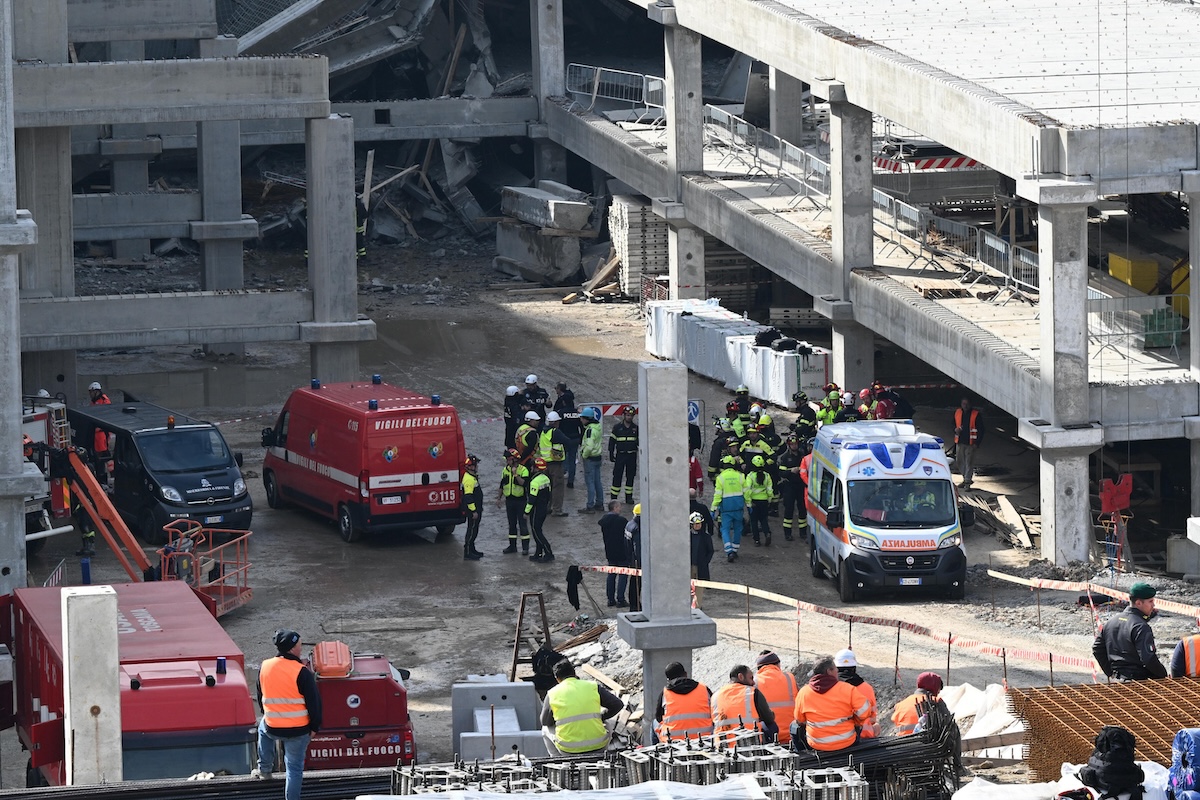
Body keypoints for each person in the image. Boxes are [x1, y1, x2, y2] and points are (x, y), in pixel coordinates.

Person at [253, 629, 322, 800]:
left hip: (273, 726)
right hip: (298, 731)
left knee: (262, 728)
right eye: (299, 645)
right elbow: (314, 703)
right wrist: (315, 727)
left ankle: (265, 770)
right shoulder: (302, 672)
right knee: (294, 769)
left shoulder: (265, 666)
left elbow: (261, 696)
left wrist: (269, 714)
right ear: (292, 648)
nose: (301, 648)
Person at [541, 659, 622, 755]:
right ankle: (601, 755)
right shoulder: (592, 686)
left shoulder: (552, 693)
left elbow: (545, 721)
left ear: (557, 678)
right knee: (607, 723)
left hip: (568, 750)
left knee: (545, 729)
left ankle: (558, 761)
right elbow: (617, 705)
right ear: (574, 673)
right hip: (599, 745)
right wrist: (601, 717)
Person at [1092, 581, 1167, 681]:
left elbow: (1097, 648)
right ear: (1138, 603)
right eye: (1150, 601)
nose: (1153, 605)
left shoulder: (1111, 622)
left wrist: (1111, 673)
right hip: (1138, 683)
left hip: (1117, 681)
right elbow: (1148, 659)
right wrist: (1164, 675)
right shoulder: (1141, 627)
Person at [793, 656, 870, 751]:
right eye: (835, 669)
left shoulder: (804, 692)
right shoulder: (848, 689)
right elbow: (864, 712)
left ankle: (801, 755)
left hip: (817, 744)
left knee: (793, 726)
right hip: (847, 742)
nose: (837, 671)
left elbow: (799, 720)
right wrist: (856, 722)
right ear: (829, 671)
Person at [711, 664, 777, 745]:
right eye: (751, 678)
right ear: (741, 676)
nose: (753, 682)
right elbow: (769, 718)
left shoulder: (715, 695)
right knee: (771, 726)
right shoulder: (753, 693)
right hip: (750, 746)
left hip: (722, 747)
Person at [654, 662, 713, 743]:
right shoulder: (703, 689)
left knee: (654, 724)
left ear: (668, 680)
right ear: (685, 674)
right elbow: (714, 711)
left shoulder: (665, 693)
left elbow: (658, 717)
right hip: (704, 738)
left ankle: (657, 753)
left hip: (674, 741)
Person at [755, 650, 798, 746]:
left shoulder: (754, 682)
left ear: (759, 668)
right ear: (778, 664)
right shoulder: (790, 678)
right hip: (792, 735)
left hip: (768, 738)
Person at [539, 410, 577, 516]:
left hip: (545, 464)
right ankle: (557, 510)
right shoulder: (555, 432)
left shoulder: (543, 432)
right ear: (555, 422)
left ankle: (546, 508)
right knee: (558, 487)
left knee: (547, 487)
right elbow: (567, 441)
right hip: (555, 464)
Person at [834, 649, 879, 737]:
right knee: (877, 727)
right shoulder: (867, 688)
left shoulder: (830, 687)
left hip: (835, 737)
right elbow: (873, 718)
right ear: (854, 667)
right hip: (864, 737)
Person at [712, 456, 747, 562]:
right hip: (738, 507)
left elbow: (717, 496)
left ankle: (729, 551)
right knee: (738, 529)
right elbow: (747, 492)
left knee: (725, 530)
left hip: (726, 509)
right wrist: (749, 505)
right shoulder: (741, 476)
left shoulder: (720, 478)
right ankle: (735, 550)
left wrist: (713, 509)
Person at [497, 449, 530, 554]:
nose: (507, 461)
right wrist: (498, 498)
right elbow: (502, 485)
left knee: (522, 524)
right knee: (511, 524)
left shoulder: (524, 470)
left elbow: (523, 483)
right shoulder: (505, 470)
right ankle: (512, 546)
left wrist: (515, 474)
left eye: (509, 459)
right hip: (509, 501)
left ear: (515, 460)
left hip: (521, 501)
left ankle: (525, 548)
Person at [892, 671, 944, 736]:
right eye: (938, 690)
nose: (938, 693)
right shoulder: (936, 701)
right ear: (934, 688)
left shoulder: (900, 705)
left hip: (902, 743)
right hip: (927, 744)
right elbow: (948, 726)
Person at [598, 500, 629, 607]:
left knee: (611, 575)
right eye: (619, 507)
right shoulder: (621, 521)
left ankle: (610, 599)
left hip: (610, 551)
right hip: (622, 551)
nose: (620, 509)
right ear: (615, 508)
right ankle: (620, 599)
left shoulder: (604, 521)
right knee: (623, 575)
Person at [524, 458, 555, 562]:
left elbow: (532, 499)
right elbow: (549, 495)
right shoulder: (546, 478)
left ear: (536, 468)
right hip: (543, 509)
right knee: (538, 530)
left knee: (537, 532)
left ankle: (548, 553)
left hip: (536, 510)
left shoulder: (535, 481)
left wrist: (526, 512)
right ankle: (538, 552)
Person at [553, 382, 582, 489]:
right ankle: (571, 482)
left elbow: (557, 427)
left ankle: (561, 477)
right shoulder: (577, 413)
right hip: (575, 438)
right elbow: (581, 427)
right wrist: (581, 439)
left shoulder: (561, 413)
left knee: (562, 459)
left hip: (564, 439)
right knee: (572, 460)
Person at [777, 435, 805, 542]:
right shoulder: (785, 458)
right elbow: (781, 473)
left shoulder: (802, 455)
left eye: (795, 444)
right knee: (789, 510)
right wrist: (790, 471)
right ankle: (787, 533)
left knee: (802, 509)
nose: (794, 446)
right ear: (789, 445)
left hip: (801, 485)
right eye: (792, 444)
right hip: (790, 486)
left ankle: (803, 532)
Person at [609, 407, 638, 504]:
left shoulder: (636, 428)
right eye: (628, 415)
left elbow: (640, 442)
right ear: (624, 415)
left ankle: (628, 497)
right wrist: (611, 452)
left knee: (630, 476)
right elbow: (612, 441)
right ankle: (614, 497)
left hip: (632, 455)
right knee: (617, 476)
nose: (629, 417)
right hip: (620, 455)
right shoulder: (617, 427)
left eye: (631, 415)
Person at [953, 397, 984, 489]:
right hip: (960, 442)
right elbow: (953, 424)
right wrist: (955, 430)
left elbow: (981, 430)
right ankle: (965, 478)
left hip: (971, 443)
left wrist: (977, 443)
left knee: (969, 463)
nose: (965, 406)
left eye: (967, 404)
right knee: (959, 461)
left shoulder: (976, 415)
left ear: (970, 405)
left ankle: (967, 481)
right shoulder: (958, 412)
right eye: (963, 404)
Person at [578, 408, 605, 513]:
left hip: (590, 458)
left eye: (582, 418)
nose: (580, 420)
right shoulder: (597, 427)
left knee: (590, 483)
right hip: (597, 457)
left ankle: (590, 506)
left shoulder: (589, 430)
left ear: (586, 419)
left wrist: (584, 455)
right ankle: (599, 503)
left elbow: (589, 446)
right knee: (597, 481)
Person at [745, 455, 773, 547]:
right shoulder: (767, 475)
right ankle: (767, 533)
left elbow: (747, 490)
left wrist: (748, 503)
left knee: (754, 522)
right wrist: (769, 500)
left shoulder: (750, 476)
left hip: (754, 502)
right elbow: (770, 490)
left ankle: (757, 540)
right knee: (764, 520)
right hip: (764, 501)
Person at [689, 512, 715, 608]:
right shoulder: (687, 536)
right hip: (689, 566)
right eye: (696, 524)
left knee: (699, 588)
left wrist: (704, 562)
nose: (698, 525)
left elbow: (710, 551)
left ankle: (697, 607)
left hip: (701, 567)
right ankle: (686, 606)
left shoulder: (706, 537)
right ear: (691, 525)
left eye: (699, 523)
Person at [460, 454, 483, 560]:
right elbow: (468, 497)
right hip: (473, 510)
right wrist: (474, 511)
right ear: (471, 467)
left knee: (474, 529)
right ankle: (468, 552)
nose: (477, 466)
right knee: (471, 530)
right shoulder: (469, 479)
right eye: (475, 464)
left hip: (476, 508)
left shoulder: (472, 477)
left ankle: (472, 549)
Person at [625, 505, 643, 611]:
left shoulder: (629, 524)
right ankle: (635, 605)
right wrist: (640, 563)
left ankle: (634, 603)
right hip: (637, 561)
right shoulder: (638, 527)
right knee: (637, 584)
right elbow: (638, 547)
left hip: (630, 558)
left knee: (633, 582)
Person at [503, 385, 523, 450]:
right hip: (514, 425)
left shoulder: (507, 400)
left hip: (508, 424)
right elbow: (516, 414)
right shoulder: (513, 404)